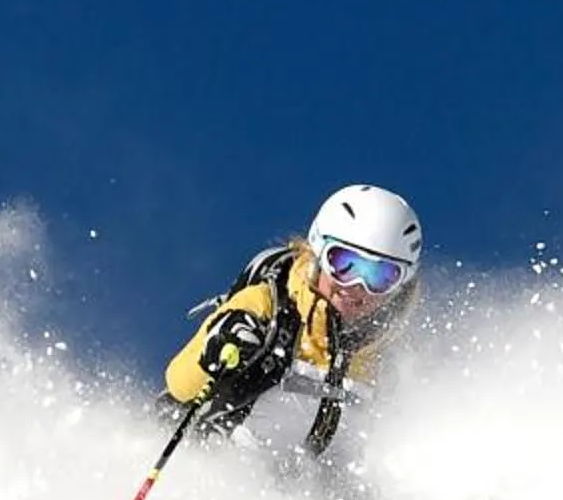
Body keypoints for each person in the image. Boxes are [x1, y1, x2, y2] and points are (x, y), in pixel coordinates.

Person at [166, 183, 424, 458]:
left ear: (402, 282)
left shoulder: (386, 359)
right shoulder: (266, 307)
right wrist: (216, 349)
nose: (357, 287)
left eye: (381, 276)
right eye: (344, 264)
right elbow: (179, 386)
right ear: (318, 250)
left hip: (304, 493)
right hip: (218, 467)